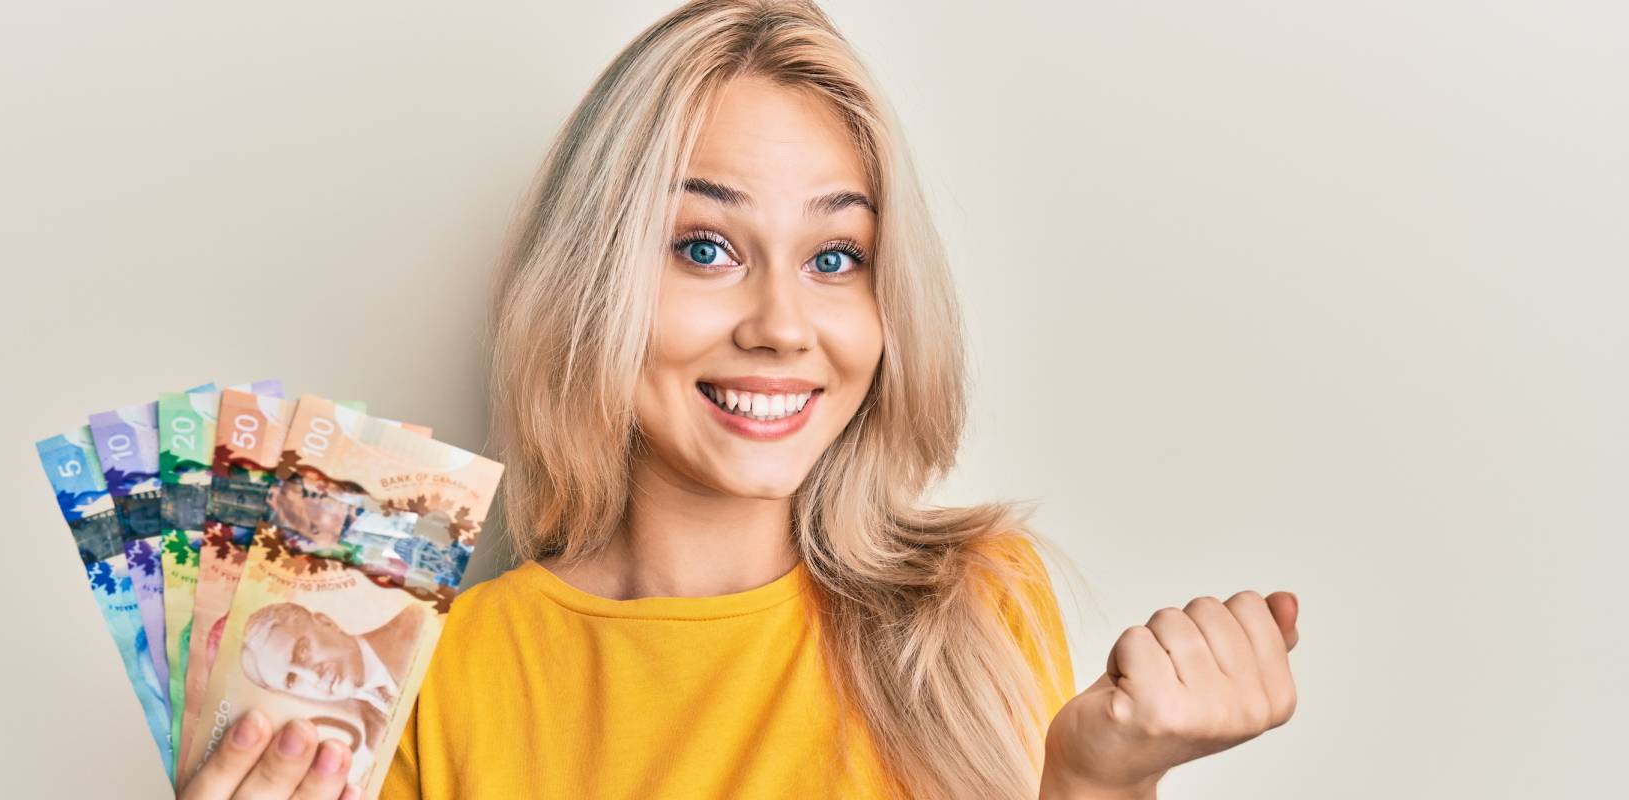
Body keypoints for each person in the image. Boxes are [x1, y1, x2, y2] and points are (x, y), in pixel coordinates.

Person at [177, 2, 1301, 799]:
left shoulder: (980, 608)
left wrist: (1103, 780)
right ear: (593, 279)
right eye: (706, 246)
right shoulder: (425, 671)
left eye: (835, 255)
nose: (781, 323)